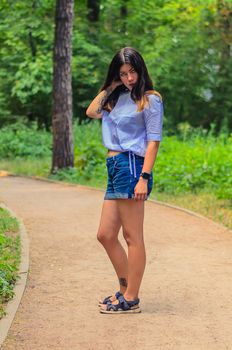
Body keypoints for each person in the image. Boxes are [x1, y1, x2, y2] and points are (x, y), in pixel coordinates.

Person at [86, 47, 163, 314]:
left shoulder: (150, 100)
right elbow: (91, 111)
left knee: (132, 236)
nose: (129, 78)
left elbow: (153, 142)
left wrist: (144, 177)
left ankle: (131, 298)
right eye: (123, 73)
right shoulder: (116, 97)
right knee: (105, 235)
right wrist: (112, 84)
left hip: (132, 167)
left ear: (141, 70)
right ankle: (125, 287)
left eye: (132, 72)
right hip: (115, 167)